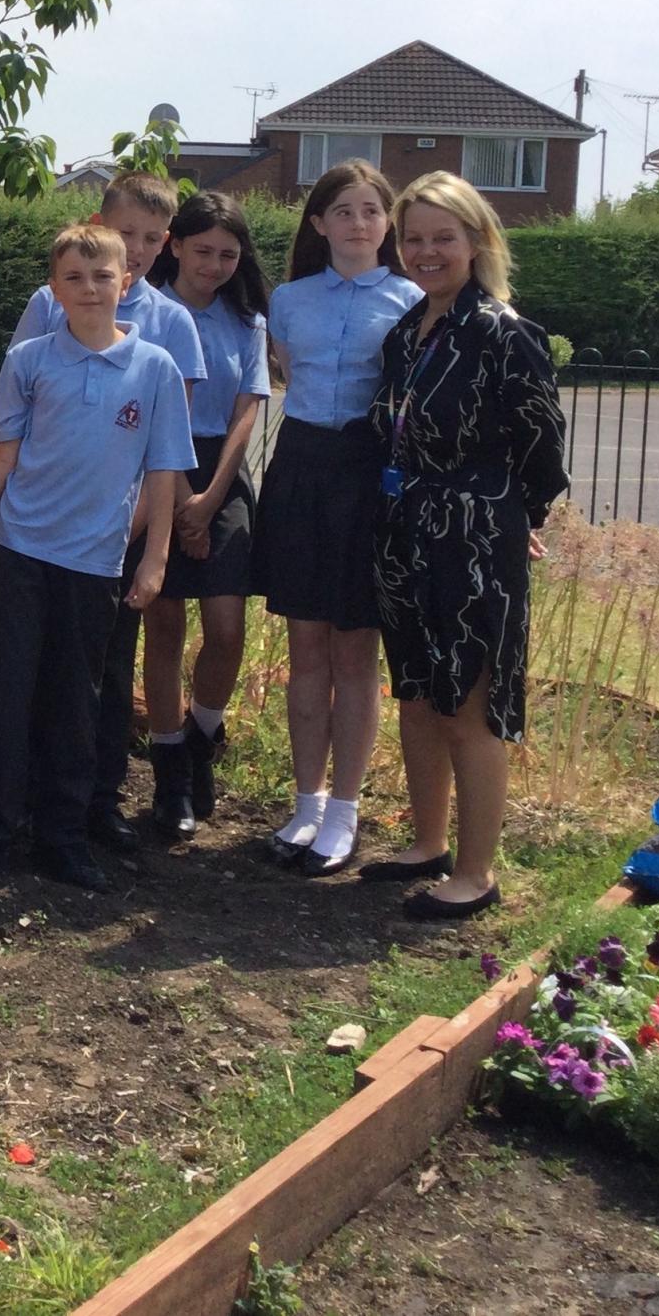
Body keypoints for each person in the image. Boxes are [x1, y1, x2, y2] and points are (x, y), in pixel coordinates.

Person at [0, 223, 196, 891]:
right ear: (53, 287)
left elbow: (165, 472)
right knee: (6, 692)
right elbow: (1, 459)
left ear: (128, 280)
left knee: (77, 699)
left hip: (97, 561)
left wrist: (155, 558)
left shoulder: (156, 369)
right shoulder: (30, 361)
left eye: (102, 276)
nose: (89, 289)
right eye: (74, 278)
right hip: (23, 549)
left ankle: (63, 833)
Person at [366, 171, 568, 919]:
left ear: (477, 241)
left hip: (474, 541)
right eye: (412, 237)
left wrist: (521, 516)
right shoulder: (406, 329)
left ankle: (476, 873)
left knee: (469, 708)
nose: (425, 251)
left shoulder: (504, 332)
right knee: (417, 696)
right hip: (402, 533)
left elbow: (544, 444)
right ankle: (428, 844)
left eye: (441, 237)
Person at [8, 172, 205, 851]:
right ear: (99, 223)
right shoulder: (49, 301)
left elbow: (163, 447)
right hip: (45, 525)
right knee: (39, 669)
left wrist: (142, 538)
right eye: (127, 233)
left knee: (109, 673)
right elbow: (25, 413)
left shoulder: (172, 322)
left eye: (153, 239)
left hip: (122, 528)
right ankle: (29, 799)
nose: (141, 248)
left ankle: (99, 799)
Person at [253, 161, 423, 877]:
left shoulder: (412, 298)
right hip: (300, 464)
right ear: (318, 222)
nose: (359, 223)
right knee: (307, 647)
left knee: (355, 651)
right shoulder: (288, 300)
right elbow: (286, 371)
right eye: (344, 211)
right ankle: (307, 800)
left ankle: (346, 810)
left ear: (388, 225)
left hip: (365, 470)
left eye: (371, 211)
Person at [138, 191, 271, 838]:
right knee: (162, 628)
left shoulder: (248, 319)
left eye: (228, 253)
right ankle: (168, 770)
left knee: (225, 627)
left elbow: (249, 407)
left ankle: (201, 737)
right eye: (203, 251)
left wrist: (210, 497)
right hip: (157, 467)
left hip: (221, 474)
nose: (215, 265)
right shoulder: (149, 310)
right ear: (175, 246)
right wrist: (179, 493)